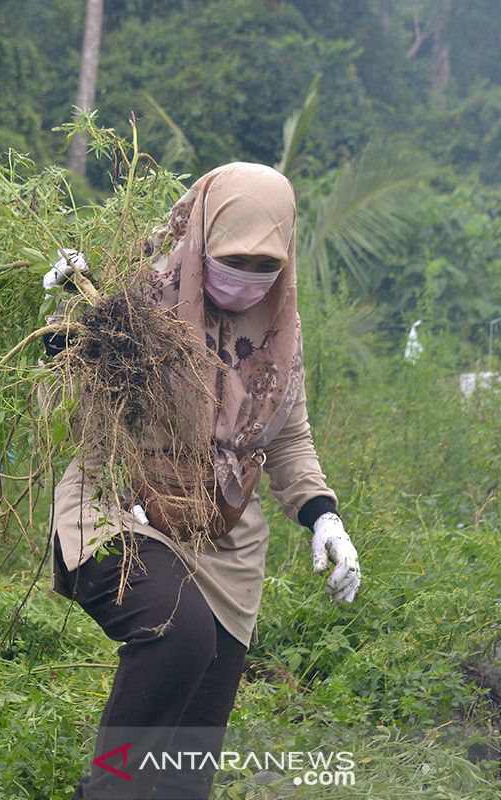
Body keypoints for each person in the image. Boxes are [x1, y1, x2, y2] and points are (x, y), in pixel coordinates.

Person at [43, 163, 362, 799]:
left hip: (223, 537)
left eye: (264, 264)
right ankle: (105, 791)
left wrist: (323, 515)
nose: (246, 278)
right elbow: (72, 386)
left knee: (187, 764)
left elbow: (289, 440)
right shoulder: (140, 295)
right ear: (202, 235)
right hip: (119, 507)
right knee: (175, 632)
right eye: (231, 258)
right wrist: (65, 313)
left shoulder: (280, 332)